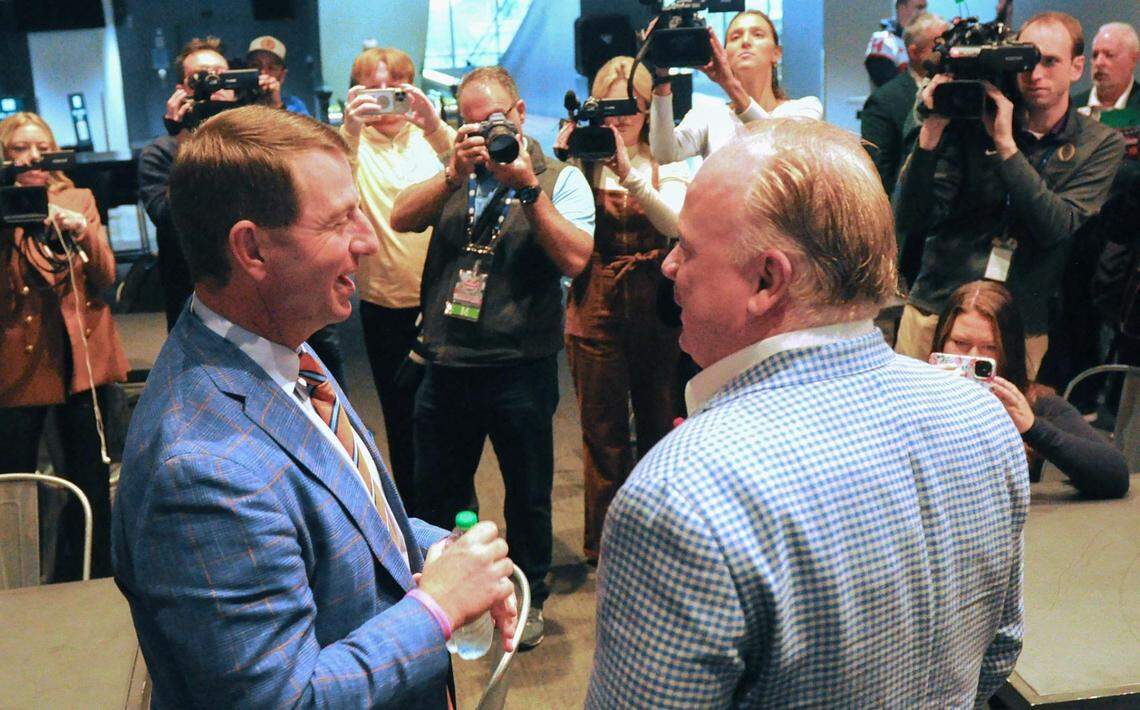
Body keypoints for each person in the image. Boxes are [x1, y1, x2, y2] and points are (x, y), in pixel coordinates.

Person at [587, 119, 1029, 707]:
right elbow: (998, 651)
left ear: (769, 279)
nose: (668, 266)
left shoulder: (680, 494)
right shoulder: (981, 420)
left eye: (687, 248)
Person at [112, 105, 518, 708]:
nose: (369, 240)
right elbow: (283, 700)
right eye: (338, 222)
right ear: (251, 250)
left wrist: (442, 553)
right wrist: (437, 608)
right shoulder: (201, 470)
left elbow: (346, 513)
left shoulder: (281, 347)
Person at [390, 66, 595, 648]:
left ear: (522, 113)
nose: (482, 131)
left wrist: (528, 188)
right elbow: (401, 217)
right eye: (470, 121)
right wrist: (452, 172)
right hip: (446, 361)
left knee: (528, 495)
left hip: (519, 365)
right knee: (440, 494)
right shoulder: (458, 175)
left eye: (493, 120)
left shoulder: (562, 179)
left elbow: (576, 259)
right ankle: (453, 597)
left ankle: (527, 596)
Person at [894, 11, 1125, 375]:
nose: (1035, 75)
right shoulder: (971, 118)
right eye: (1027, 61)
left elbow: (1056, 226)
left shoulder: (1098, 144)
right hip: (937, 311)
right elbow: (911, 218)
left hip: (1016, 328)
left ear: (1077, 67)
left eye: (1050, 62)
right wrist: (930, 134)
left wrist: (1005, 145)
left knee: (1004, 430)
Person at [554, 56, 687, 564]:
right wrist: (565, 159)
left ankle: (661, 541)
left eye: (630, 104)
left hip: (659, 303)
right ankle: (606, 548)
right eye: (608, 106)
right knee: (603, 433)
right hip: (594, 300)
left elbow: (673, 220)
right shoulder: (581, 162)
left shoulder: (668, 157)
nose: (620, 117)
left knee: (660, 424)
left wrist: (627, 171)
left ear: (648, 105)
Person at [0, 112, 128, 581]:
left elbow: (106, 276)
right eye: (19, 149)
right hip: (18, 362)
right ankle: (18, 575)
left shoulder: (79, 197)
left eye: (41, 147)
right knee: (15, 473)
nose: (32, 157)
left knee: (89, 474)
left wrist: (83, 231)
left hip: (80, 361)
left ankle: (92, 573)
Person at [341, 46, 456, 510]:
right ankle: (412, 523)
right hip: (384, 305)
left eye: (393, 91)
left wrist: (431, 123)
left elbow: (469, 165)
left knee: (453, 417)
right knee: (400, 417)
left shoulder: (430, 139)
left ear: (410, 91)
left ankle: (454, 517)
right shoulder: (350, 144)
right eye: (372, 92)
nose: (382, 104)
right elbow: (338, 186)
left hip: (445, 301)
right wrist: (349, 128)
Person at [933, 281, 1129, 498]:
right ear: (942, 343)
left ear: (1009, 350)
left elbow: (1115, 476)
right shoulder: (913, 396)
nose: (973, 357)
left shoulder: (1035, 404)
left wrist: (1032, 428)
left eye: (990, 347)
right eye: (960, 343)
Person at [648, 10, 822, 163]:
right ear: (724, 54)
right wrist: (662, 75)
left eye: (758, 35)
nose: (746, 42)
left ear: (776, 53)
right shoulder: (709, 116)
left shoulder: (804, 109)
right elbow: (665, 154)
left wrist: (729, 84)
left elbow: (779, 154)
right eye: (735, 37)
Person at [861, 12, 946, 198]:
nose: (948, 50)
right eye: (939, 44)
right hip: (909, 211)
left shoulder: (962, 92)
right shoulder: (884, 101)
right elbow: (879, 176)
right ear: (915, 52)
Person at [1076, 22, 1140, 114]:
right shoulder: (1071, 110)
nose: (1098, 63)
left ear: (1133, 59)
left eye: (1109, 55)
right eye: (1095, 55)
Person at [864, 0, 928, 87]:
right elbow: (888, 86)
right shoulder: (883, 40)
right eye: (919, 8)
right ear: (902, 8)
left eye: (925, 7)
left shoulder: (925, 39)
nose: (924, 13)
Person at [246, 35, 311, 116]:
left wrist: (277, 105)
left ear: (282, 75)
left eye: (271, 67)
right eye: (255, 65)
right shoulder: (237, 100)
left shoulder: (295, 105)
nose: (263, 72)